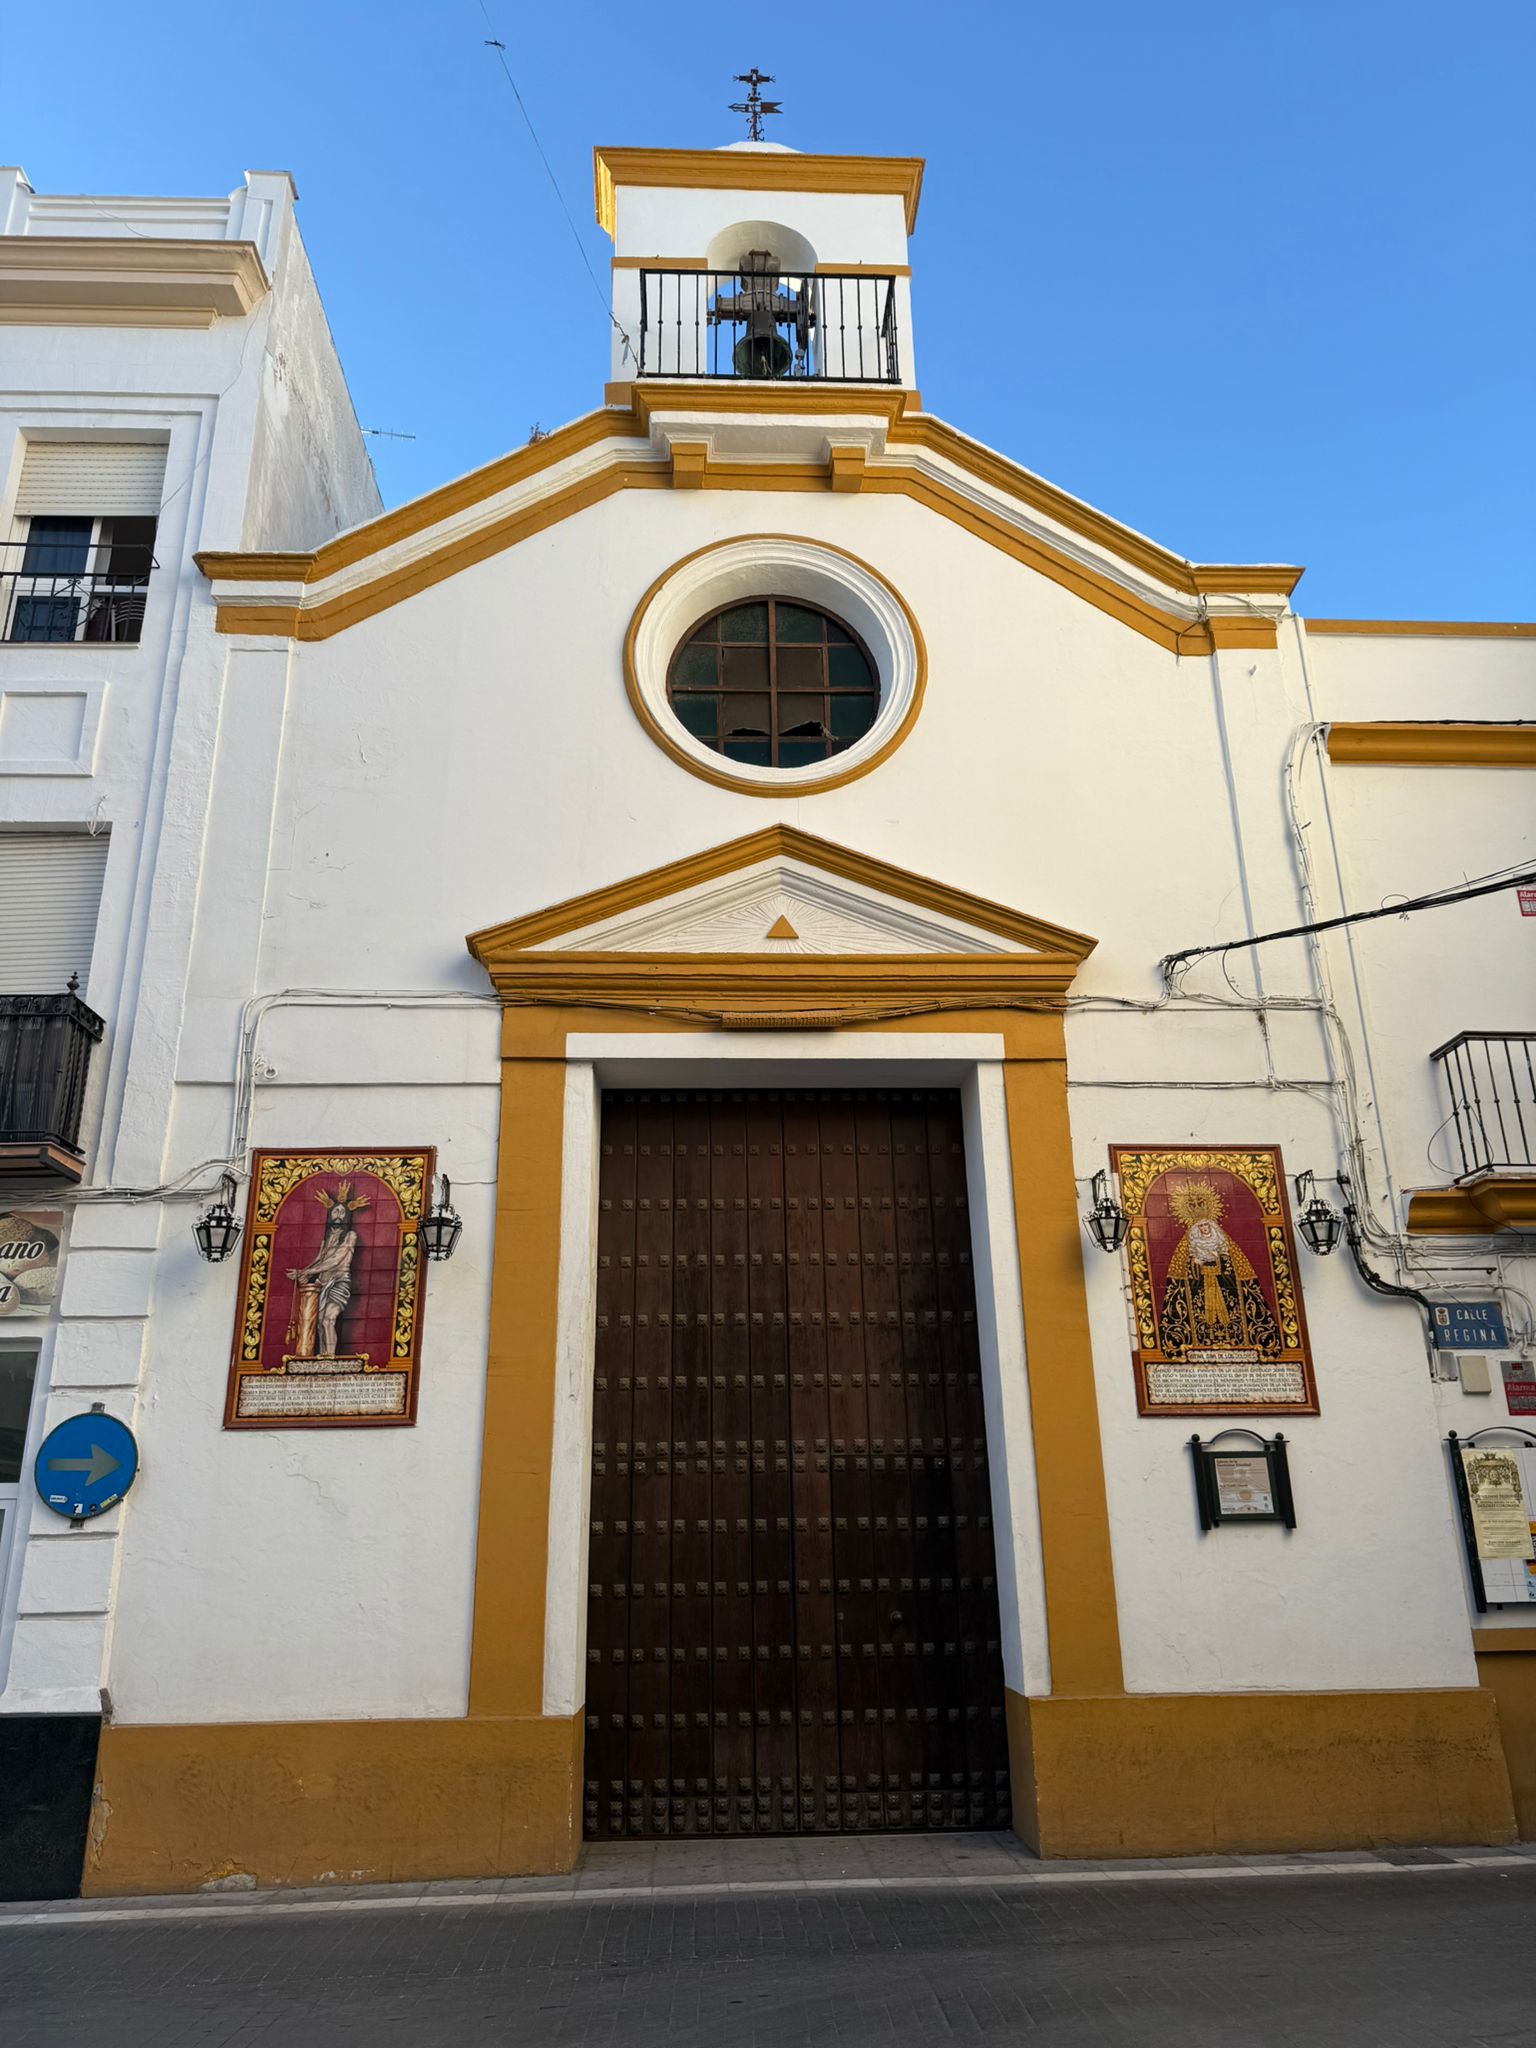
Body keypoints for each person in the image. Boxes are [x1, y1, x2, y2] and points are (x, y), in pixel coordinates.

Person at [1156, 1177, 1281, 1357]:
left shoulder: (1225, 1244)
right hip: (1201, 1288)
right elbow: (1179, 1274)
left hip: (1223, 1285)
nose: (1204, 1229)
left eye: (1207, 1225)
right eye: (1200, 1226)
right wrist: (1195, 1265)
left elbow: (1237, 1269)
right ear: (1195, 1229)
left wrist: (1219, 1262)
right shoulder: (1187, 1246)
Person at [287, 1180, 368, 1359]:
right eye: (335, 1211)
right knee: (318, 1323)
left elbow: (335, 1260)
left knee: (328, 1319)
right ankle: (323, 1356)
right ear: (330, 1214)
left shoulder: (350, 1236)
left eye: (342, 1211)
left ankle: (330, 1357)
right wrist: (302, 1272)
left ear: (347, 1215)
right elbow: (319, 1260)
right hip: (322, 1283)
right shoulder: (327, 1238)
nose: (338, 1214)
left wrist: (306, 1273)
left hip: (339, 1282)